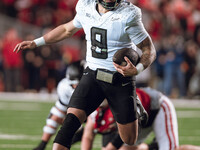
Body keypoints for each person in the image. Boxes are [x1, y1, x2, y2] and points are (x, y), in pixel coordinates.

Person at [13, 0, 156, 149]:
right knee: (69, 123)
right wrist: (36, 43)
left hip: (120, 79)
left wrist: (137, 70)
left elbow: (148, 49)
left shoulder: (128, 13)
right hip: (92, 75)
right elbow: (66, 29)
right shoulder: (85, 5)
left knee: (129, 138)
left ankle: (135, 106)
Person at [82, 87, 179, 150]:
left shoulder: (120, 100)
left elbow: (125, 129)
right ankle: (152, 148)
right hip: (135, 122)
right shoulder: (96, 107)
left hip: (157, 109)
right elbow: (88, 134)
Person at [33, 60, 85, 150]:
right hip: (81, 114)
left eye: (77, 83)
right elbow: (59, 111)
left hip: (97, 114)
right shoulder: (64, 87)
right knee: (54, 116)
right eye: (73, 83)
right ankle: (42, 145)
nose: (75, 86)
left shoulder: (92, 86)